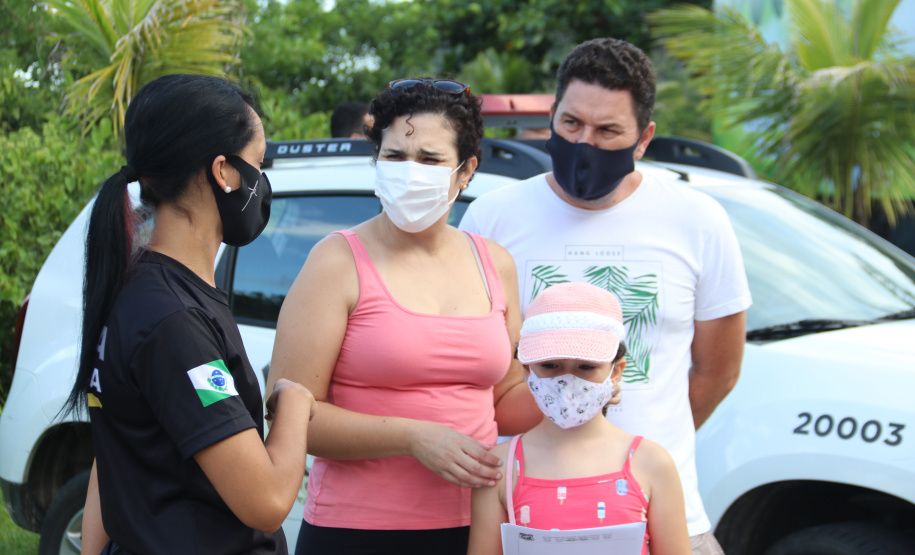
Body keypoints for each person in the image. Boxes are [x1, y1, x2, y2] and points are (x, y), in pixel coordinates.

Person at [459, 38, 752, 555]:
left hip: (667, 518)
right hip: (529, 515)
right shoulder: (494, 216)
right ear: (552, 116)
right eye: (571, 124)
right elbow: (478, 371)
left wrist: (639, 444)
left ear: (644, 138)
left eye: (608, 130)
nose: (584, 143)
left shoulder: (698, 219)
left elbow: (718, 372)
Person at [266, 78, 542, 555]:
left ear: (466, 170)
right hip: (358, 532)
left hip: (480, 525)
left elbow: (504, 401)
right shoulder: (336, 262)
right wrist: (413, 437)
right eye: (395, 156)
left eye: (430, 159)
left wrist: (574, 387)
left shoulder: (495, 263)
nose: (410, 172)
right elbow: (289, 417)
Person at [65, 74, 317, 555]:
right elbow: (266, 501)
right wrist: (294, 405)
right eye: (258, 163)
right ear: (223, 171)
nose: (261, 181)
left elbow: (113, 455)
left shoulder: (141, 289)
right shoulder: (173, 318)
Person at [468, 282, 691, 555]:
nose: (567, 381)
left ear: (616, 372)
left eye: (586, 366)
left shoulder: (652, 462)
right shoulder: (499, 467)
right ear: (527, 369)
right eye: (550, 365)